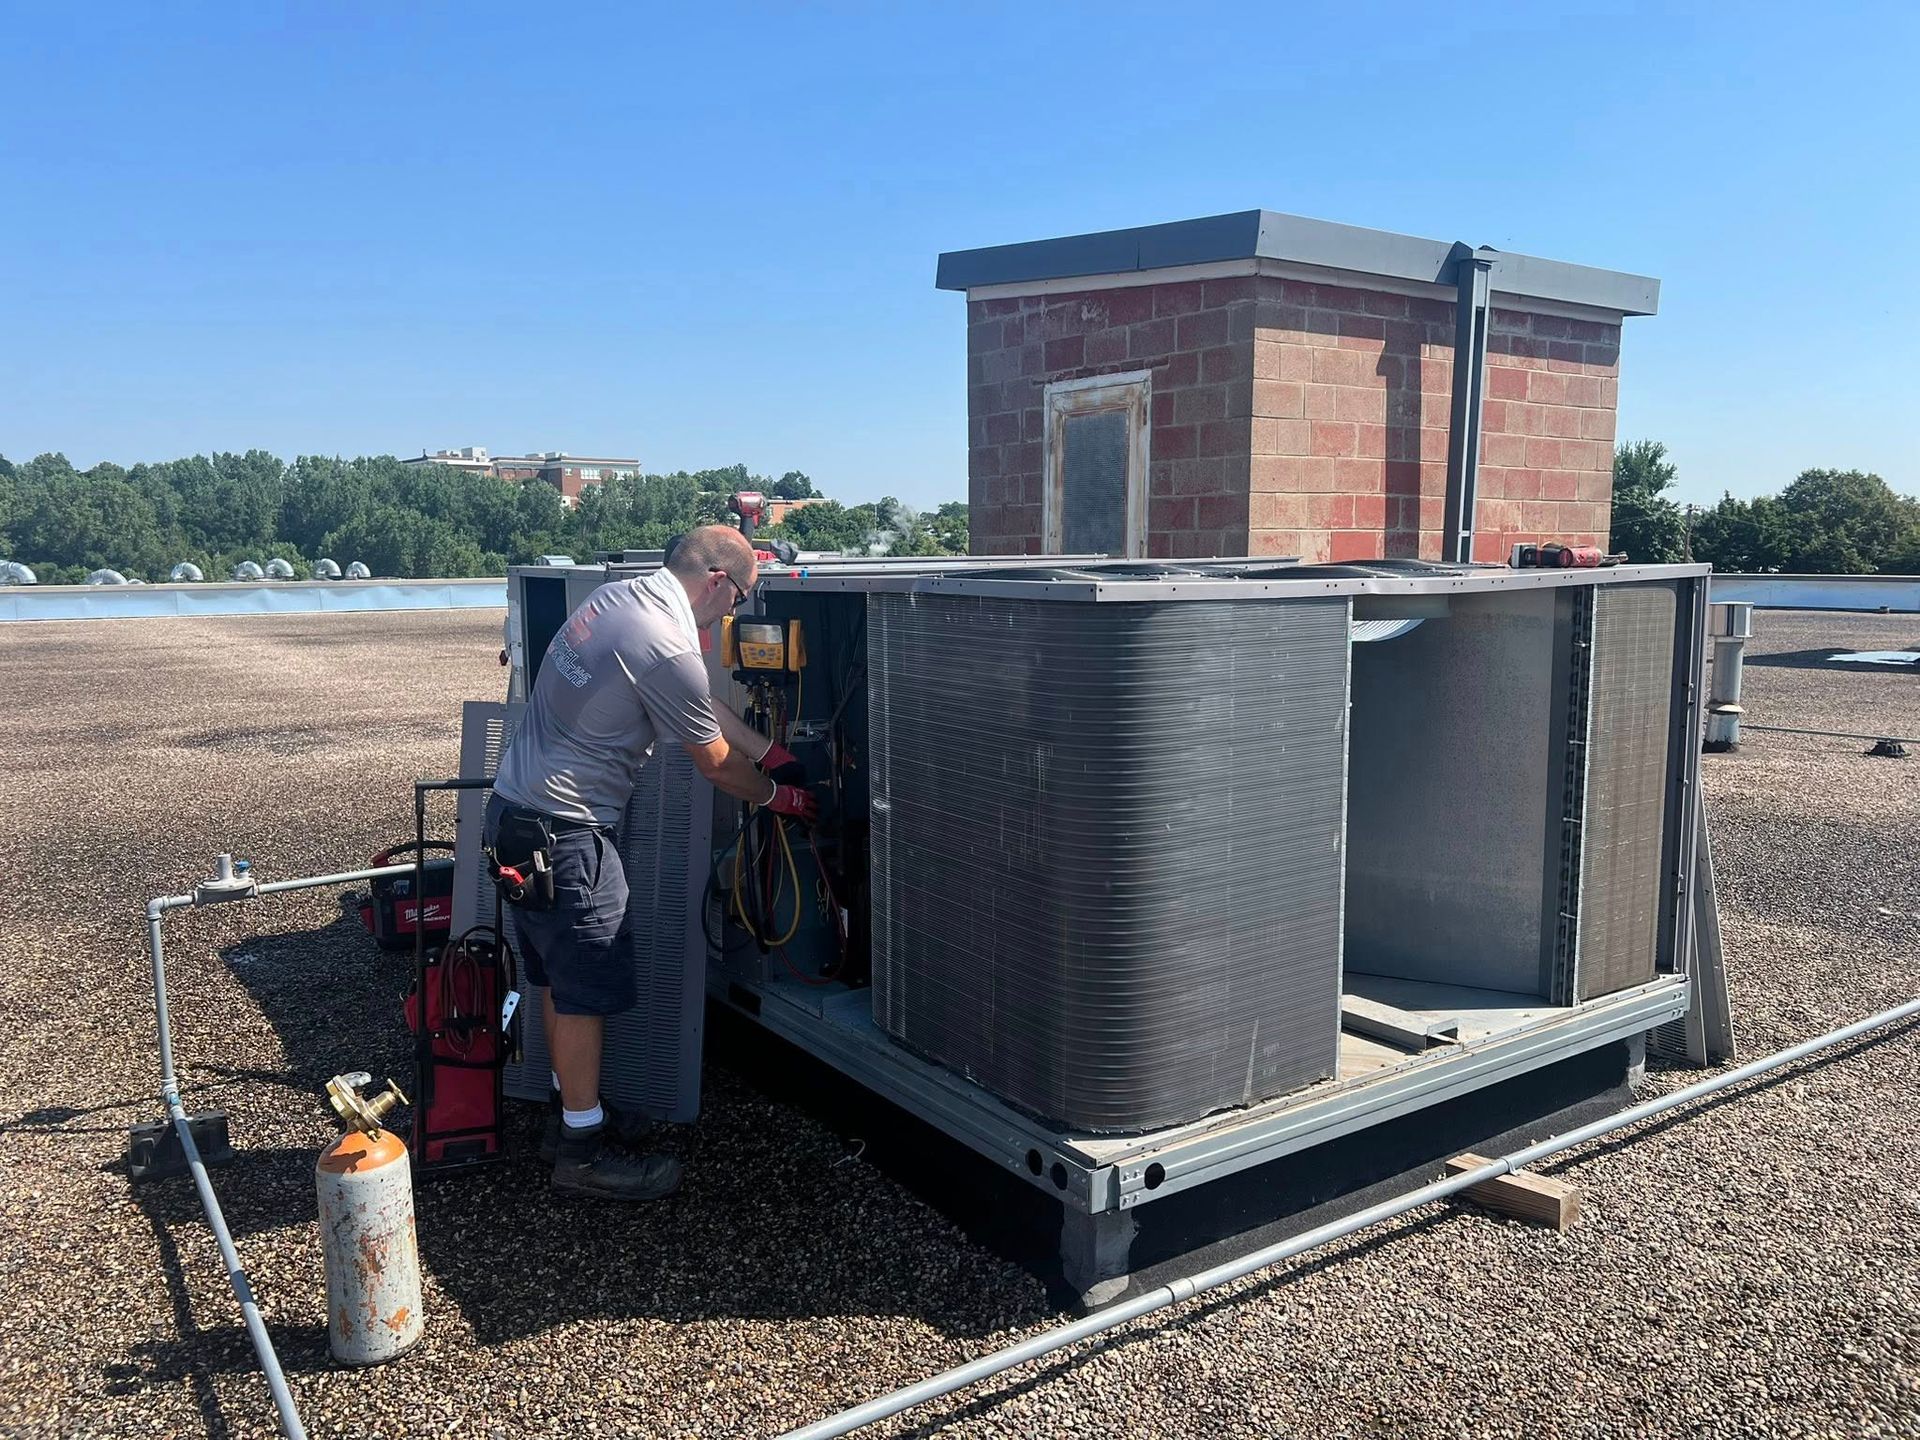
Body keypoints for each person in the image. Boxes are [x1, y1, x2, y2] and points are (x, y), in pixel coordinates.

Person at [485, 525, 816, 1201]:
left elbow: (696, 703)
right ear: (718, 580)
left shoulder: (618, 603)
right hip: (567, 837)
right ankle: (582, 1155)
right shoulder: (666, 645)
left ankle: (570, 1115)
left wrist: (769, 749)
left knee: (554, 980)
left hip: (517, 818)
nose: (736, 615)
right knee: (584, 995)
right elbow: (714, 764)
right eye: (742, 599)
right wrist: (780, 795)